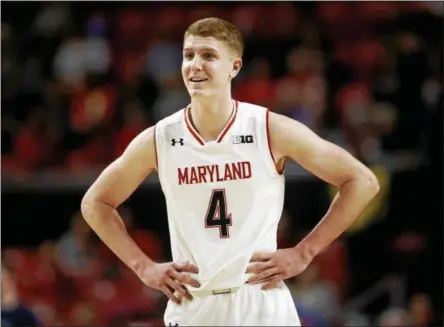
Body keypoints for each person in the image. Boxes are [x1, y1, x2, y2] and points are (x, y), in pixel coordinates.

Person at [81, 17, 380, 326]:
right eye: (188, 55)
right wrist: (143, 267)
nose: (195, 65)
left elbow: (362, 181)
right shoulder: (160, 138)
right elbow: (95, 203)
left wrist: (305, 252)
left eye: (208, 55)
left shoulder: (269, 128)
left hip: (260, 300)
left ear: (234, 67)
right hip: (193, 303)